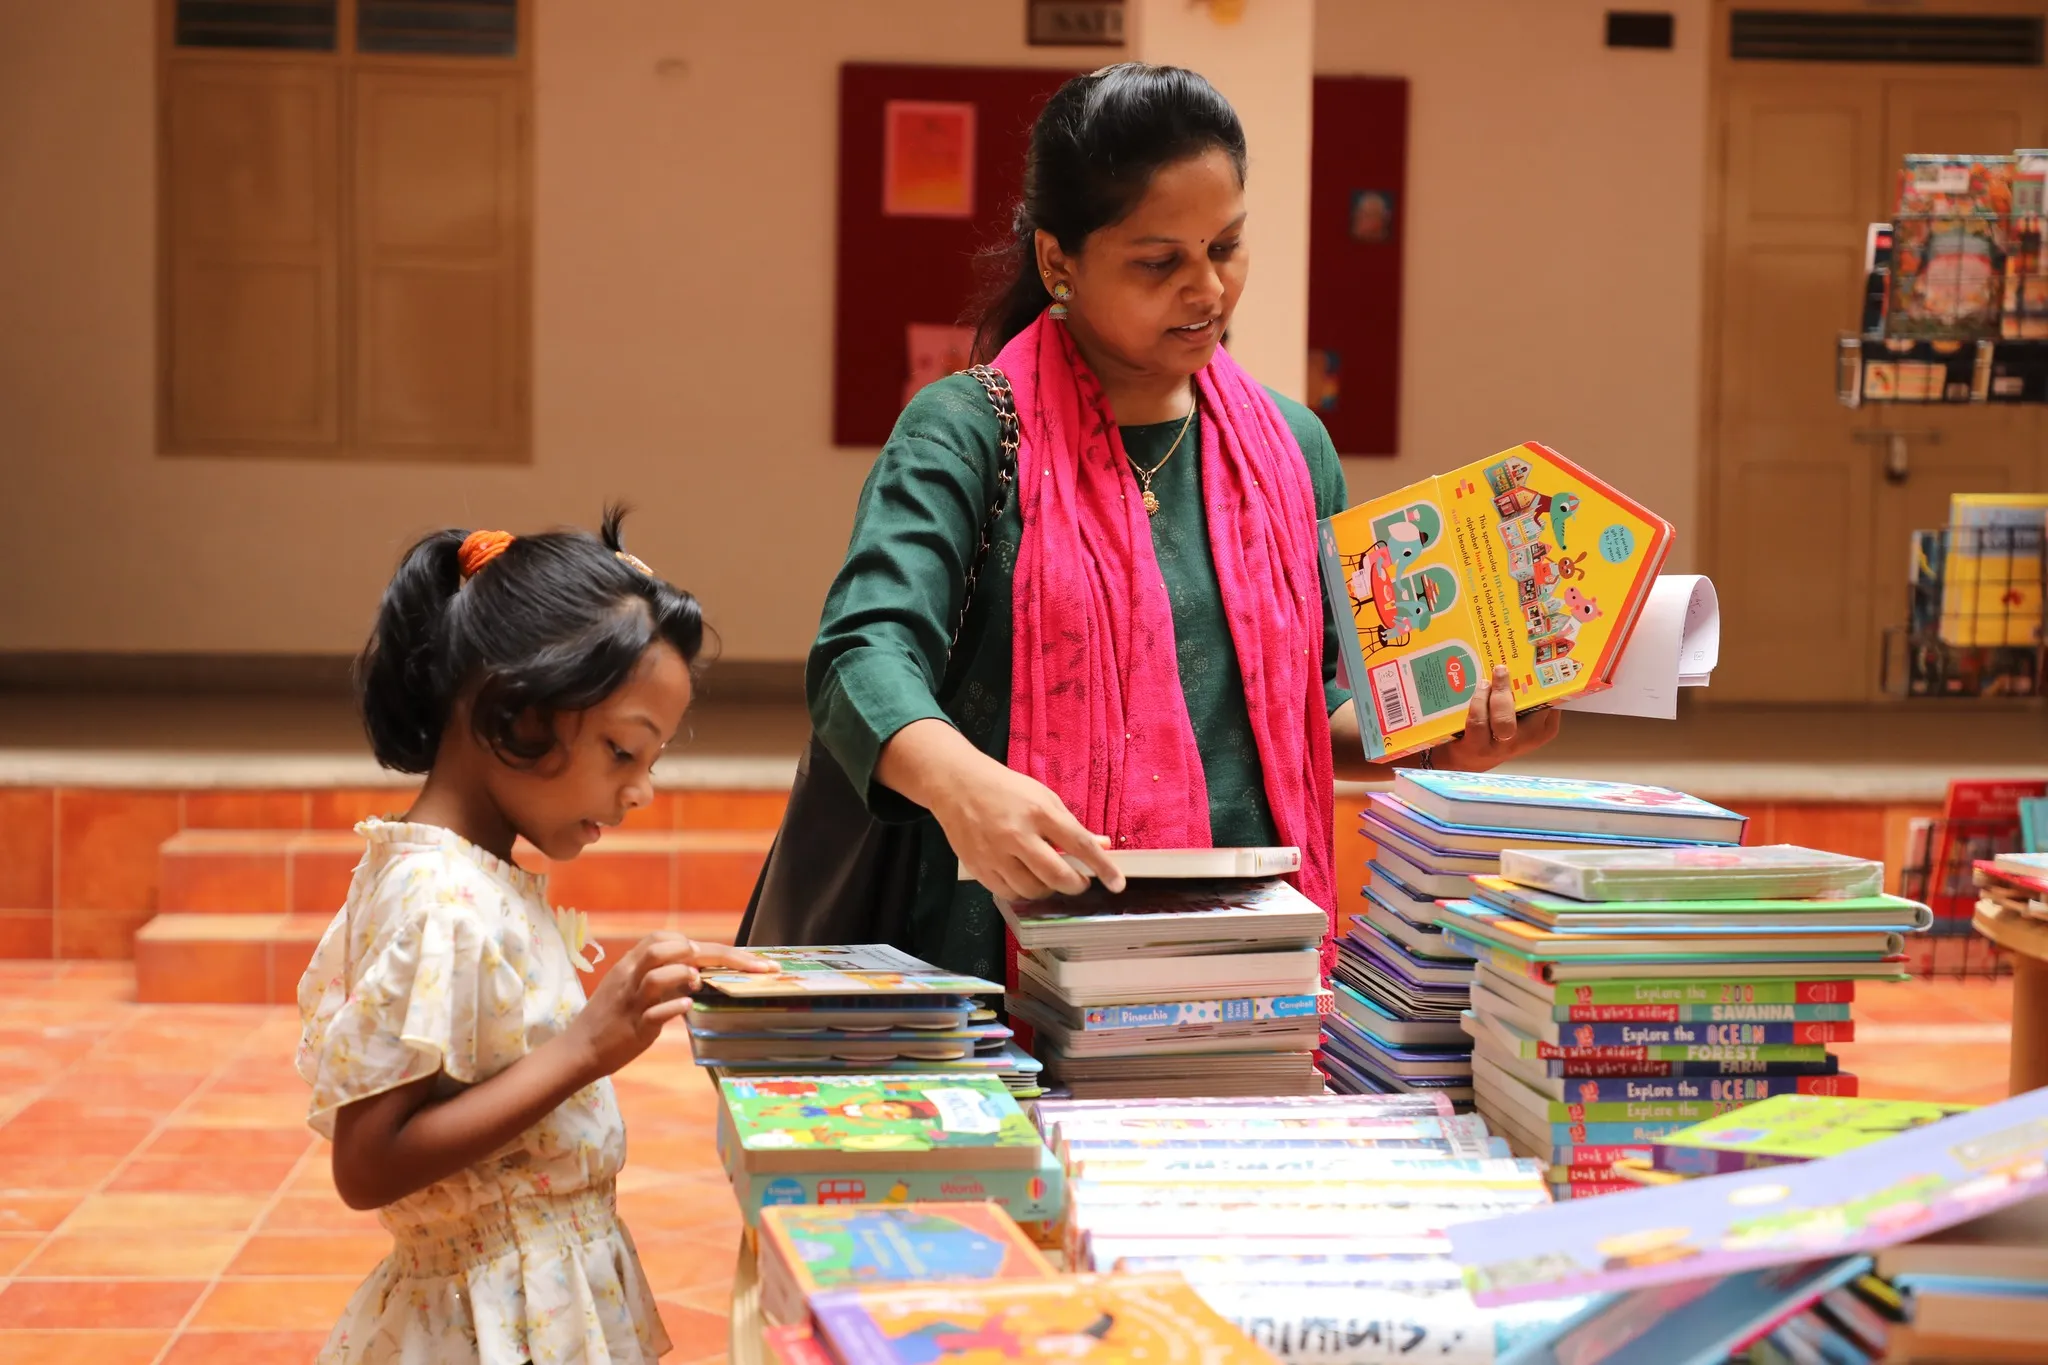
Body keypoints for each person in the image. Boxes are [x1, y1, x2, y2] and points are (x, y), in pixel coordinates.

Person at [808, 63, 1561, 985]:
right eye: (1160, 262)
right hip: (1010, 942)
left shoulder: (1292, 447)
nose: (1208, 289)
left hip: (1246, 964)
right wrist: (962, 783)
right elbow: (862, 656)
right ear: (1058, 262)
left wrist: (1446, 736)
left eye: (1227, 246)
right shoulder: (966, 433)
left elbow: (1305, 713)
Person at [296, 509, 774, 1365]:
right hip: (482, 1322)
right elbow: (366, 1164)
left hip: (527, 1307)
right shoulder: (437, 899)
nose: (641, 792)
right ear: (516, 714)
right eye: (624, 752)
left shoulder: (473, 878)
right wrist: (588, 1044)